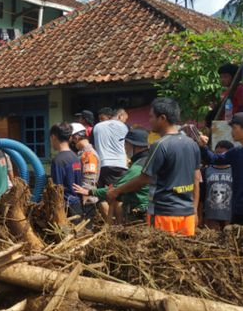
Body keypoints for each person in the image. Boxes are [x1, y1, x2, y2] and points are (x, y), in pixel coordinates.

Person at [108, 98, 201, 236]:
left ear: (162, 118)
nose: (149, 121)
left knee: (161, 255)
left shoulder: (160, 145)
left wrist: (116, 191)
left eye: (151, 117)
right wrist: (194, 209)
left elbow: (144, 179)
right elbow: (196, 179)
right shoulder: (192, 144)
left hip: (164, 213)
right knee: (183, 256)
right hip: (187, 214)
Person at [75, 128, 150, 224]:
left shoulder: (137, 167)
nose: (125, 148)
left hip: (139, 213)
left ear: (135, 146)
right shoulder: (146, 160)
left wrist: (89, 191)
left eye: (126, 144)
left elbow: (116, 188)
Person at [199, 113, 243, 225]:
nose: (231, 132)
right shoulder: (236, 152)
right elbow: (214, 159)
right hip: (238, 210)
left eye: (234, 128)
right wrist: (202, 146)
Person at [49, 122, 82, 215]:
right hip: (77, 204)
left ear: (53, 137)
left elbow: (57, 188)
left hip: (64, 208)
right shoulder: (76, 158)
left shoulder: (58, 160)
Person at [93, 107, 128, 191]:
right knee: (119, 195)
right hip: (120, 164)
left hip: (102, 165)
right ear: (120, 116)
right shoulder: (124, 126)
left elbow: (93, 146)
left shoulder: (97, 126)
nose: (125, 121)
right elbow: (128, 145)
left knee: (100, 196)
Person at [202, 140, 235, 230]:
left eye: (223, 154)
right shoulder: (206, 170)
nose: (219, 157)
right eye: (217, 153)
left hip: (230, 217)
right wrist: (201, 216)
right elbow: (202, 194)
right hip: (211, 216)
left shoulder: (235, 170)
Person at [70, 123, 100, 216]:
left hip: (87, 201)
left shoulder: (88, 154)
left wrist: (86, 194)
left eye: (72, 141)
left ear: (77, 137)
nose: (73, 144)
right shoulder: (82, 153)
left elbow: (89, 177)